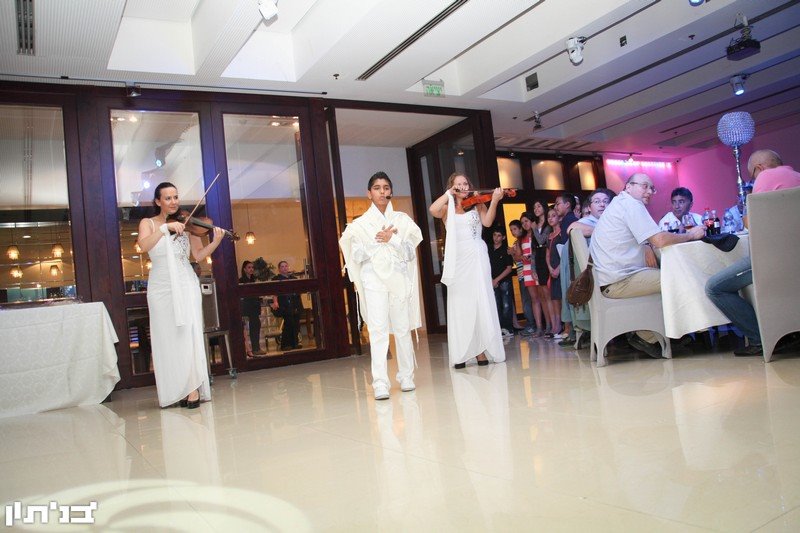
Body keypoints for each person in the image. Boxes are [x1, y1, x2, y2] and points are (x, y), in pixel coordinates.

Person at [590, 173, 705, 357]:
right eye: (644, 186)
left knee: (669, 274)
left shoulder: (621, 203)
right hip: (619, 281)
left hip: (609, 278)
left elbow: (643, 237)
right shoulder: (631, 204)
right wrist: (691, 235)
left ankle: (662, 333)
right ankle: (659, 335)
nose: (649, 191)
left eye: (652, 188)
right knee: (679, 277)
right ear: (628, 187)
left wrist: (646, 245)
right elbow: (659, 240)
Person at [136, 182, 224, 409]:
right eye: (168, 198)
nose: (173, 201)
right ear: (158, 201)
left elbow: (198, 255)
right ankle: (176, 388)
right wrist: (164, 229)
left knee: (187, 334)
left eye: (176, 197)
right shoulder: (148, 223)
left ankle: (192, 389)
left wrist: (215, 241)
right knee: (167, 337)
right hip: (161, 286)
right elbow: (143, 246)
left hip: (185, 283)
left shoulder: (187, 224)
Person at [706, 149, 800, 356]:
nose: (754, 180)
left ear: (759, 168)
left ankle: (761, 339)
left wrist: (747, 210)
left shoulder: (765, 177)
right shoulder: (797, 176)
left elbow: (753, 223)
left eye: (752, 176)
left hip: (774, 260)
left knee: (715, 287)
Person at [339, 171, 423, 400]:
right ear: (369, 193)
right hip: (373, 280)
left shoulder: (402, 220)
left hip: (398, 279)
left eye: (386, 187)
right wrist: (378, 241)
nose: (382, 192)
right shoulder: (360, 225)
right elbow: (355, 255)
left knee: (402, 328)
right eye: (377, 188)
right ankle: (380, 382)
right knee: (378, 330)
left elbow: (410, 252)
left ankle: (406, 376)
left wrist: (392, 239)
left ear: (391, 191)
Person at [429, 173, 506, 369]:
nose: (463, 187)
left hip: (477, 257)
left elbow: (487, 222)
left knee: (479, 302)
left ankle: (480, 351)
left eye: (465, 183)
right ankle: (461, 351)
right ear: (452, 187)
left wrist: (494, 201)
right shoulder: (446, 208)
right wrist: (448, 193)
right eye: (458, 184)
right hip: (458, 260)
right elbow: (432, 209)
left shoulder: (477, 203)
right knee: (461, 304)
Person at [518, 211, 547, 336]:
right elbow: (519, 255)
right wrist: (522, 257)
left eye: (526, 221)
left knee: (543, 297)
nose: (524, 224)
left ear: (532, 221)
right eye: (522, 222)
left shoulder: (537, 234)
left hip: (538, 268)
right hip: (526, 269)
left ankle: (547, 325)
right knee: (534, 299)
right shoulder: (521, 238)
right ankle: (538, 327)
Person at [530, 200, 554, 336]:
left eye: (539, 206)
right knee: (542, 295)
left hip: (546, 257)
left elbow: (541, 240)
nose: (536, 209)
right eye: (534, 207)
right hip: (538, 259)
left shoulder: (548, 225)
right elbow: (534, 248)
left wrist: (534, 229)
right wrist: (533, 268)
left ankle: (554, 325)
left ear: (544, 207)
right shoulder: (535, 224)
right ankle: (547, 325)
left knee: (548, 294)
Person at [508, 219, 535, 335]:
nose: (512, 232)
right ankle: (531, 324)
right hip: (521, 274)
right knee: (527, 300)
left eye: (514, 229)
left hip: (526, 274)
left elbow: (520, 257)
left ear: (520, 229)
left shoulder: (521, 241)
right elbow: (517, 260)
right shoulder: (516, 242)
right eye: (511, 230)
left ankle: (531, 325)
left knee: (527, 301)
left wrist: (513, 253)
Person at [271, 260, 304, 350]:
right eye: (282, 266)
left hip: (295, 304)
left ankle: (295, 343)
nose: (284, 268)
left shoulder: (293, 278)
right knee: (288, 323)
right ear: (279, 269)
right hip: (284, 304)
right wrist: (275, 302)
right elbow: (274, 292)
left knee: (296, 324)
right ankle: (285, 345)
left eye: (286, 266)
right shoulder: (276, 279)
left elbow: (299, 291)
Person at [489, 227, 514, 338]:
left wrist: (496, 280)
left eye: (499, 236)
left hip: (504, 281)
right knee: (496, 305)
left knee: (506, 305)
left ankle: (508, 328)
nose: (496, 238)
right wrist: (491, 280)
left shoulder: (506, 250)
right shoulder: (489, 250)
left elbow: (509, 268)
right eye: (494, 235)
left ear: (503, 237)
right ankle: (498, 328)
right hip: (492, 281)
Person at [545, 207, 564, 338]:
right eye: (549, 216)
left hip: (561, 269)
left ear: (559, 217)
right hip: (552, 271)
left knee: (562, 297)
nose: (551, 218)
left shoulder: (562, 233)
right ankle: (556, 325)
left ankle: (564, 325)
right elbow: (547, 255)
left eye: (553, 215)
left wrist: (558, 268)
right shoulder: (549, 236)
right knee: (555, 298)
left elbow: (564, 252)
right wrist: (550, 268)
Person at [239, 261, 262, 357]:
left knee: (256, 327)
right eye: (249, 267)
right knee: (245, 331)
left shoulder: (254, 280)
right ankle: (249, 350)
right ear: (244, 269)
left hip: (254, 307)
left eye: (252, 267)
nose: (251, 269)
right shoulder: (241, 281)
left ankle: (256, 348)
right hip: (246, 308)